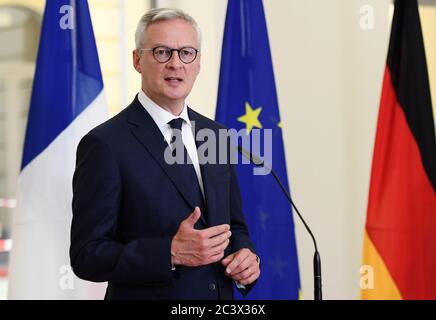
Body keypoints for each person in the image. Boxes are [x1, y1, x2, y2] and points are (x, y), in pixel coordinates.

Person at [70, 8, 260, 300]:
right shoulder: (105, 144)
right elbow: (88, 255)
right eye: (161, 52)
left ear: (198, 62)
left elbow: (234, 226)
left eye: (186, 53)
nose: (175, 64)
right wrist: (170, 252)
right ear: (137, 60)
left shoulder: (217, 135)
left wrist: (246, 259)